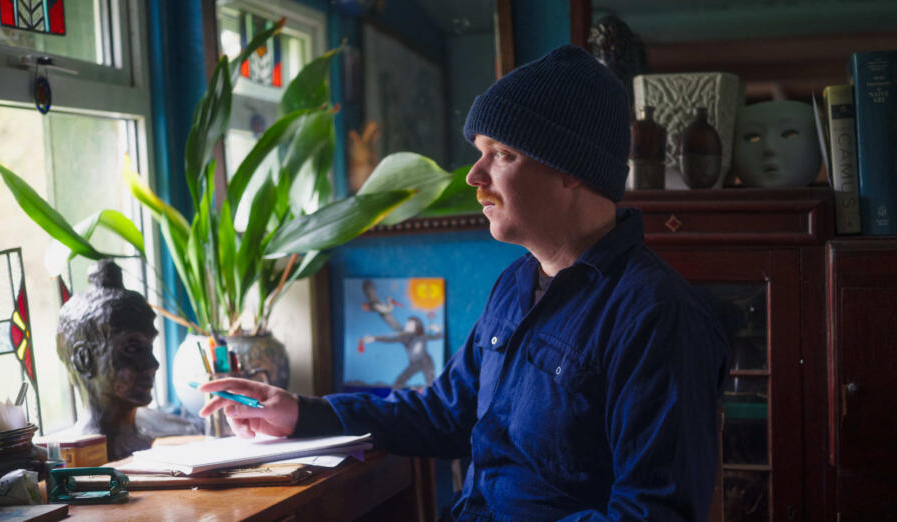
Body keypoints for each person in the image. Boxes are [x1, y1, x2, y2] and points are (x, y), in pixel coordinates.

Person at [200, 45, 727, 521]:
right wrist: (301, 411)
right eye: (481, 151)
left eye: (502, 154)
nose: (475, 176)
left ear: (571, 170)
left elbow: (653, 515)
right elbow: (446, 411)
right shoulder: (515, 284)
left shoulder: (656, 315)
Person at [56, 260, 200, 460]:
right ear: (83, 360)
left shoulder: (153, 442)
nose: (153, 365)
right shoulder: (75, 457)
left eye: (149, 346)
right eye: (132, 349)